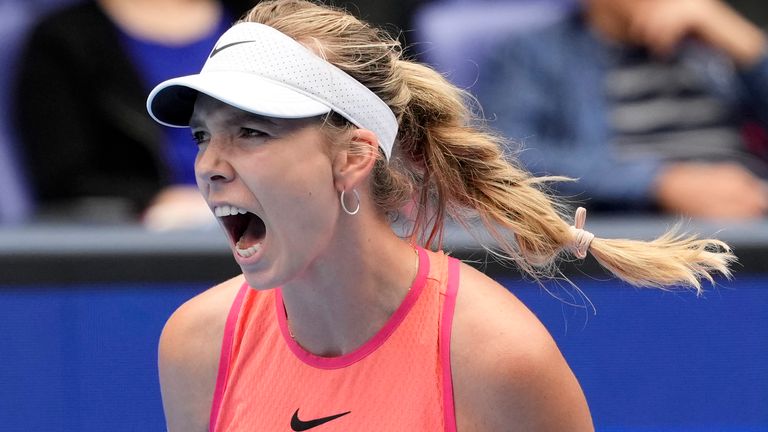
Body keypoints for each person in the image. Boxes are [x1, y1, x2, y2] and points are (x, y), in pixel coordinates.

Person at [146, 1, 734, 430]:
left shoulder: (499, 358)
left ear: (353, 157)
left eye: (251, 133)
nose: (210, 166)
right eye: (203, 136)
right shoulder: (195, 345)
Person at [475, 0, 768, 220]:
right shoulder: (535, 52)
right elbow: (507, 156)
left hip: (751, 213)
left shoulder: (712, 46)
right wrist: (656, 185)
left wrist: (747, 44)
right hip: (635, 229)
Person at [13, 0, 253, 228]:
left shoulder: (264, 20)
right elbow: (64, 179)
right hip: (146, 234)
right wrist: (154, 201)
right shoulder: (62, 39)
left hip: (264, 210)